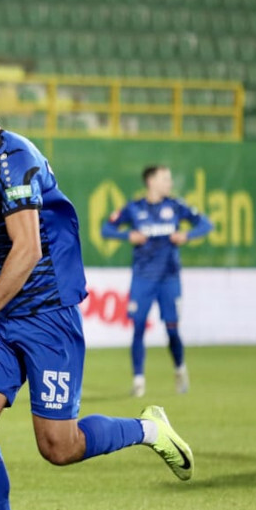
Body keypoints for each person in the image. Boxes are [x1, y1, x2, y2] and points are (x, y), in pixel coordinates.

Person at [0, 73, 194, 510]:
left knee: (59, 446)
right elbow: (1, 260)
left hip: (49, 318)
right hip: (6, 319)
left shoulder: (16, 157)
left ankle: (149, 429)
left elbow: (29, 251)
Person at [100, 166, 213, 397]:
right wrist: (127, 235)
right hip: (143, 278)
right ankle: (138, 380)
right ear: (151, 181)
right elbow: (106, 229)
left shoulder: (176, 206)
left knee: (172, 330)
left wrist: (186, 235)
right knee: (138, 328)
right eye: (165, 179)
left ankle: (180, 368)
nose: (169, 183)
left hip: (169, 278)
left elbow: (206, 224)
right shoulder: (134, 208)